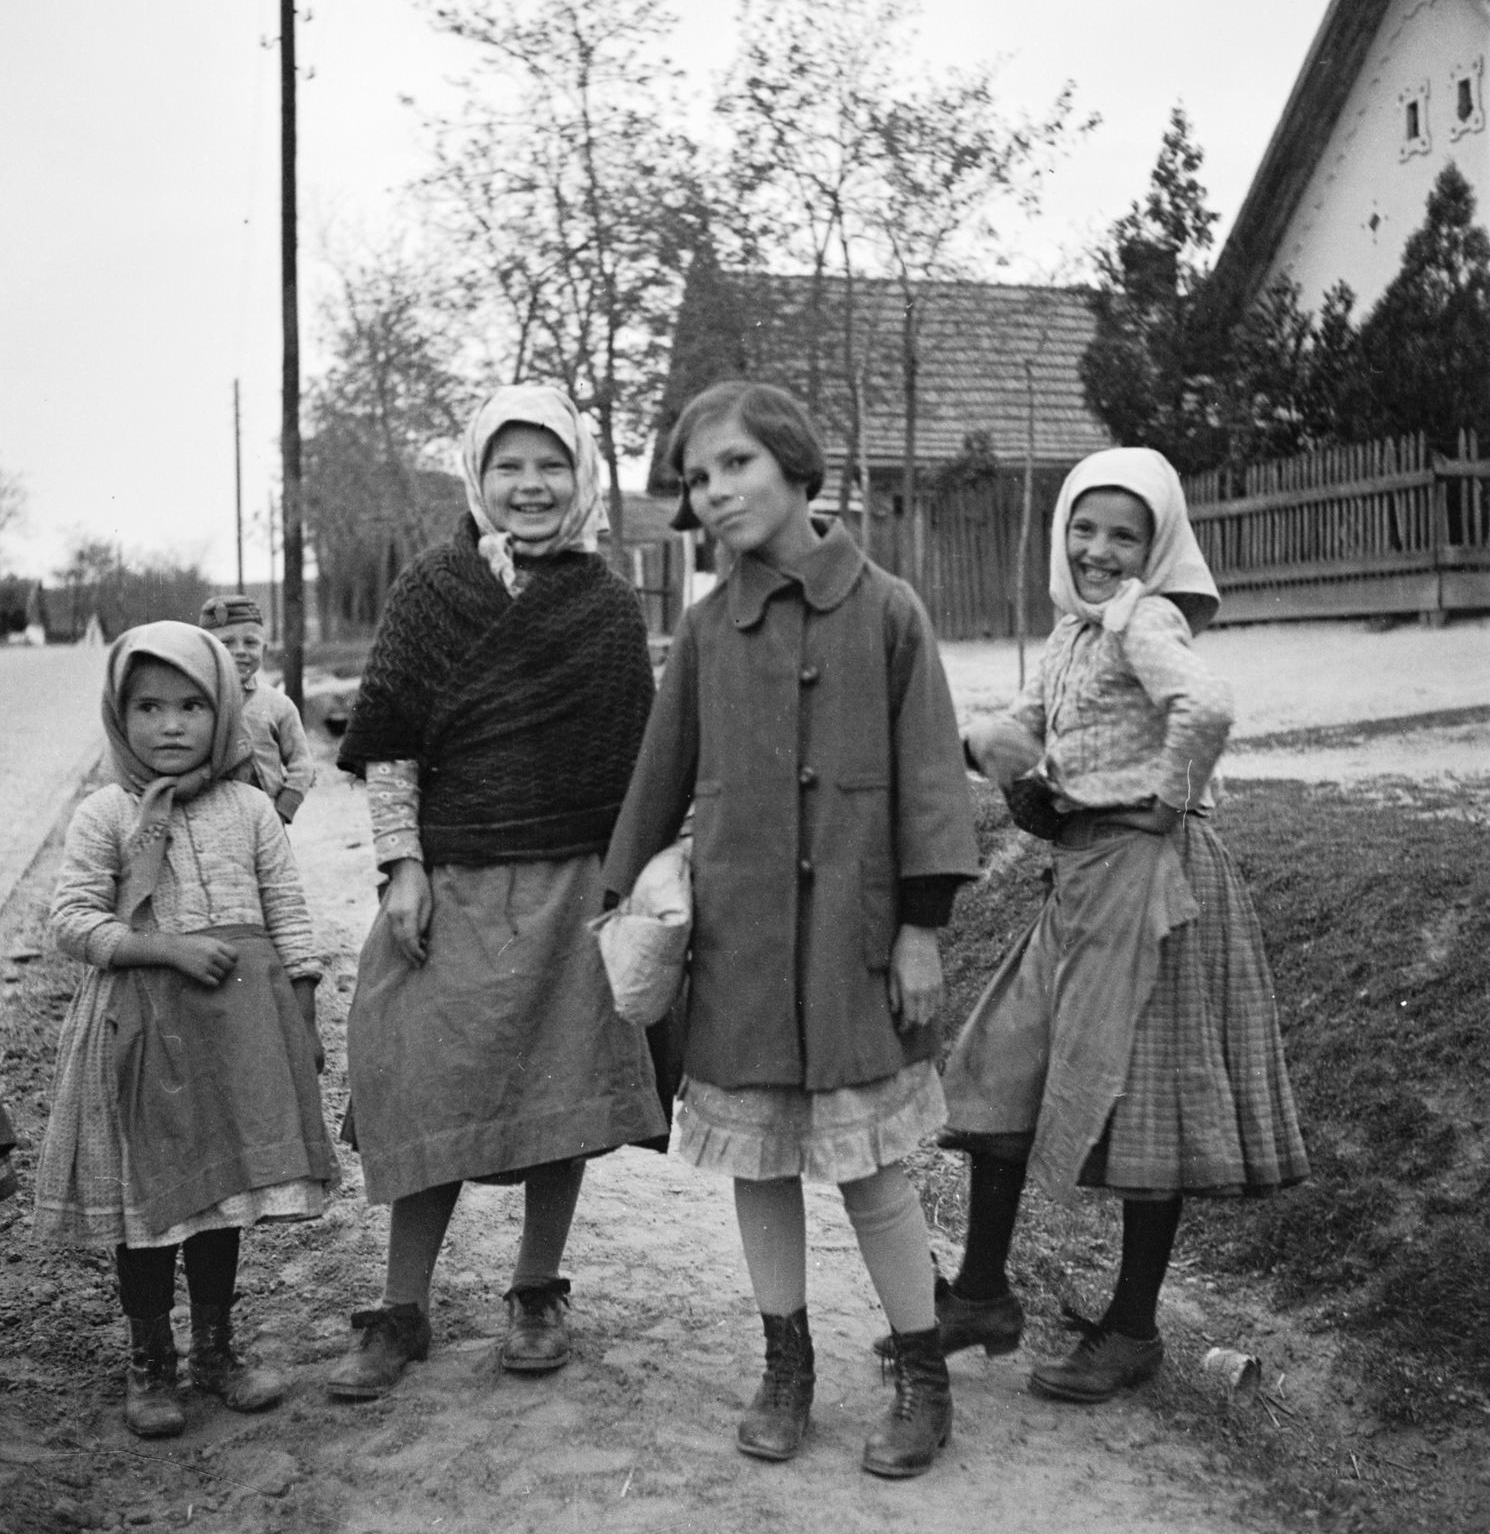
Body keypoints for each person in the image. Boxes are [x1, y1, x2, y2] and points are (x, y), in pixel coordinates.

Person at [604, 381, 980, 1479]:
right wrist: (617, 896)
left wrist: (920, 930)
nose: (713, 493)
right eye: (695, 477)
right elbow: (656, 774)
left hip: (856, 950)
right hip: (742, 955)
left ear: (796, 465)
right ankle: (787, 1363)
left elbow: (927, 782)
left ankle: (922, 1370)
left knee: (871, 1169)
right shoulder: (706, 627)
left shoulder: (890, 611)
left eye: (732, 465)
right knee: (757, 1164)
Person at [935, 446, 1310, 1404]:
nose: (1099, 550)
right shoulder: (1071, 633)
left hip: (1154, 888)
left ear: (1158, 547)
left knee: (1148, 1106)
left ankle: (1132, 1328)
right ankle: (980, 1294)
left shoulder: (1143, 621)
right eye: (1084, 528)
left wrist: (1166, 794)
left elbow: (1208, 702)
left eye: (1124, 534)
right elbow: (1019, 728)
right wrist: (977, 743)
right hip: (1080, 880)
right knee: (998, 1065)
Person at [328, 383, 666, 1400]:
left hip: (571, 889)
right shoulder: (431, 590)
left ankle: (534, 1290)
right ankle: (400, 1306)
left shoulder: (606, 606)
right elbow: (388, 748)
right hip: (454, 886)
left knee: (558, 1091)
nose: (530, 484)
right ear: (478, 474)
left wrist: (635, 885)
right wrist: (403, 867)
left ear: (580, 476)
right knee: (423, 1079)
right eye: (510, 465)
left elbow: (639, 764)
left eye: (549, 464)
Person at [33, 621, 337, 1439]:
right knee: (149, 1210)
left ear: (226, 709)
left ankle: (215, 1349)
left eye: (193, 706)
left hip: (235, 1035)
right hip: (135, 1031)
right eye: (148, 707)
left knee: (221, 1200)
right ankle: (150, 1360)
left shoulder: (250, 811)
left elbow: (290, 917)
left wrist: (300, 1016)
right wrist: (156, 947)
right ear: (119, 715)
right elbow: (69, 920)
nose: (171, 725)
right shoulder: (106, 813)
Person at [199, 594, 316, 824]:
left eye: (250, 643)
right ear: (205, 650)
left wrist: (282, 811)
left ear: (264, 648)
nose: (240, 651)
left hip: (267, 820)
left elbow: (302, 765)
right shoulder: (195, 704)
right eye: (226, 643)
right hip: (211, 824)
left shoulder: (278, 705)